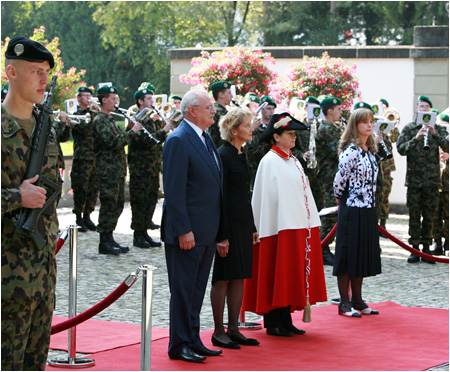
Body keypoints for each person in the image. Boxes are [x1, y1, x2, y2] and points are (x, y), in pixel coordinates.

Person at [1, 36, 62, 370]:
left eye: (46, 72)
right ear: (11, 72)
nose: (43, 79)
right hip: (5, 280)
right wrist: (16, 197)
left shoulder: (45, 128)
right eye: (36, 71)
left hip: (41, 275)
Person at [242, 113, 327, 337]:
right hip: (276, 227)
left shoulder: (292, 159)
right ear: (276, 136)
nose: (294, 138)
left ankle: (285, 318)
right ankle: (273, 321)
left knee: (289, 273)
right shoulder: (269, 161)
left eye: (294, 134)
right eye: (289, 134)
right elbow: (267, 200)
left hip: (296, 225)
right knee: (275, 271)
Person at [162, 89, 227, 363]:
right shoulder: (178, 139)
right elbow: (174, 192)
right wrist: (183, 230)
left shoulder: (204, 136)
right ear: (192, 111)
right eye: (208, 107)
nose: (213, 111)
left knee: (197, 289)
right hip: (187, 232)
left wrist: (220, 232)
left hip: (207, 230)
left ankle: (193, 338)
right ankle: (179, 344)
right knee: (183, 289)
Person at [210, 108, 260, 349]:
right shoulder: (223, 155)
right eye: (247, 126)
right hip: (227, 227)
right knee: (223, 278)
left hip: (242, 225)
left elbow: (243, 195)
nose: (251, 129)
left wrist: (251, 226)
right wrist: (222, 235)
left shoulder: (241, 154)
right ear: (233, 130)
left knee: (239, 275)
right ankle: (218, 331)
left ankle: (233, 328)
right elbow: (221, 198)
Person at [333, 105, 382, 317]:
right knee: (346, 254)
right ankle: (344, 302)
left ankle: (358, 299)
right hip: (352, 208)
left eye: (371, 121)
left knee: (361, 254)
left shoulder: (370, 152)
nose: (369, 125)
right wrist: (343, 202)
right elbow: (338, 182)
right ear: (356, 125)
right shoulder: (350, 152)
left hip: (368, 208)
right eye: (364, 122)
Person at [397, 95, 449, 263]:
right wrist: (417, 138)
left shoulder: (438, 129)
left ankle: (427, 248)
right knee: (414, 215)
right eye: (421, 106)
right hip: (414, 180)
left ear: (430, 110)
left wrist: (435, 135)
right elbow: (401, 149)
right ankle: (414, 248)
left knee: (430, 215)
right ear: (417, 109)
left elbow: (448, 146)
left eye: (426, 107)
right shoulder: (409, 128)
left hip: (432, 180)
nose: (423, 109)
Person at [92, 85, 142, 255]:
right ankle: (104, 241)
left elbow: (119, 139)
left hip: (118, 169)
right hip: (107, 171)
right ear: (104, 100)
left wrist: (129, 129)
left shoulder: (110, 119)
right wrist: (132, 132)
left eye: (116, 99)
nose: (116, 102)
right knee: (109, 204)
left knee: (118, 204)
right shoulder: (99, 120)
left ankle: (110, 237)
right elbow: (112, 142)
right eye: (113, 99)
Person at [128, 88, 172, 248]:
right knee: (140, 200)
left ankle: (145, 231)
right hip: (140, 169)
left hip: (152, 167)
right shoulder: (135, 119)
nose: (152, 102)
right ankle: (137, 234)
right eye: (148, 99)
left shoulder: (151, 120)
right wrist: (164, 131)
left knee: (151, 199)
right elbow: (146, 141)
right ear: (140, 101)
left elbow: (157, 141)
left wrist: (162, 128)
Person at [315, 96, 345, 266]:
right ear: (330, 111)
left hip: (333, 175)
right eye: (338, 109)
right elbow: (338, 151)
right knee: (330, 213)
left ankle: (325, 246)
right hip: (329, 176)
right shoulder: (326, 128)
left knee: (334, 212)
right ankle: (323, 247)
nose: (341, 112)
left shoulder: (333, 127)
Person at [70, 86, 100, 232]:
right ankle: (78, 217)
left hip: (95, 157)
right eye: (85, 96)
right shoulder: (76, 114)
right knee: (80, 188)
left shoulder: (95, 114)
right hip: (82, 158)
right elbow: (83, 129)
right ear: (78, 98)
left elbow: (99, 129)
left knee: (93, 189)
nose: (88, 98)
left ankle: (88, 216)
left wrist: (95, 113)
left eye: (90, 95)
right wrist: (91, 114)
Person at [376, 98, 400, 234]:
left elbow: (395, 138)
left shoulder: (390, 125)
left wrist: (390, 123)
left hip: (386, 165)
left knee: (385, 194)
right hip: (376, 163)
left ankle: (383, 224)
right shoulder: (372, 123)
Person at [246, 95, 277, 184]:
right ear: (262, 109)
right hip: (259, 170)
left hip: (274, 170)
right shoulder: (255, 128)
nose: (271, 112)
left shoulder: (276, 128)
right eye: (268, 109)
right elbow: (252, 152)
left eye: (273, 109)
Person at [431, 113, 449, 256]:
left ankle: (448, 243)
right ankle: (437, 243)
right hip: (436, 182)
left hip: (448, 184)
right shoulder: (434, 139)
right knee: (435, 215)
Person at [209, 81, 232, 148]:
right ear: (221, 95)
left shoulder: (223, 111)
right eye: (229, 93)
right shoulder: (216, 112)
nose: (232, 96)